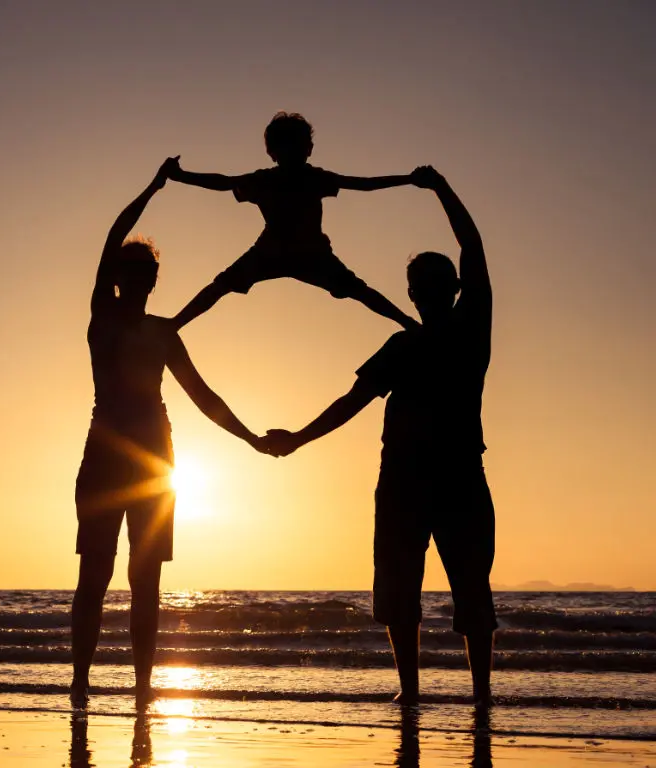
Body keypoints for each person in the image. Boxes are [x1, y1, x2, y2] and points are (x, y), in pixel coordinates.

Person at [262, 166, 497, 707]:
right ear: (412, 294)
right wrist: (297, 438)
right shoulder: (400, 346)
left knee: (470, 586)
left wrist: (442, 187)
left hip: (459, 476)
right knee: (397, 589)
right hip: (402, 484)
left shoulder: (469, 328)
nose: (426, 293)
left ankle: (482, 694)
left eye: (436, 285)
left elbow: (473, 245)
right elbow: (352, 403)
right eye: (420, 287)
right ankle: (410, 693)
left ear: (452, 289)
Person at [71, 160, 264, 710]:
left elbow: (203, 396)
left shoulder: (163, 333)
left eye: (143, 274)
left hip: (157, 457)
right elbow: (112, 236)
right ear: (116, 278)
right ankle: (80, 685)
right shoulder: (102, 319)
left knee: (145, 578)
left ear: (153, 282)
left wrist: (251, 438)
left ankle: (141, 688)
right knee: (94, 572)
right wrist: (152, 188)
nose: (134, 281)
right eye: (126, 273)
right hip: (104, 453)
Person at [163, 111, 418, 329]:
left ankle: (408, 324)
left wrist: (408, 179)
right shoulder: (266, 179)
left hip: (310, 253)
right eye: (287, 144)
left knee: (357, 289)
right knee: (221, 284)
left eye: (298, 144)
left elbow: (363, 185)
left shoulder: (313, 177)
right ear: (273, 152)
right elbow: (224, 183)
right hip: (272, 251)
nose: (293, 151)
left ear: (308, 149)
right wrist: (181, 176)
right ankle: (174, 324)